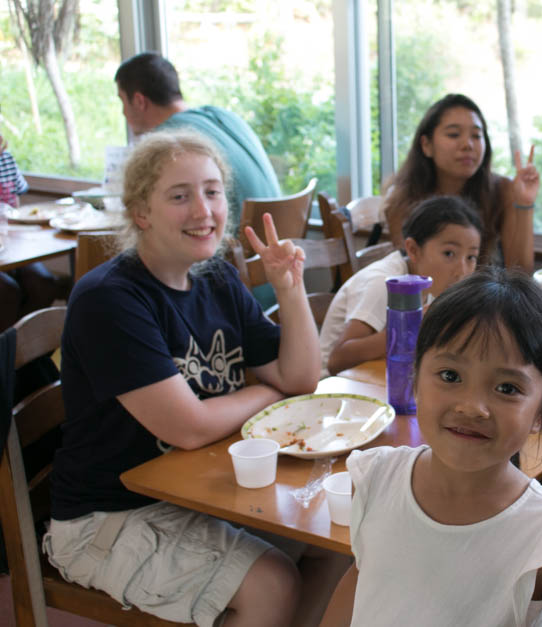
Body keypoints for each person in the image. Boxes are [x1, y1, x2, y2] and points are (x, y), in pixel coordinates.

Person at [43, 130, 328, 626]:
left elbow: (301, 377)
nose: (203, 211)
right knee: (273, 585)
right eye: (180, 196)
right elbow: (188, 427)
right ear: (141, 212)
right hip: (108, 517)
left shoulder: (215, 277)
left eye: (213, 191)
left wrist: (290, 287)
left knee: (332, 545)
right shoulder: (111, 299)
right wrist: (264, 392)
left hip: (191, 492)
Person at [318, 267, 542, 627]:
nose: (472, 407)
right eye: (450, 376)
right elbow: (363, 578)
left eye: (507, 388)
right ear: (415, 381)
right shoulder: (375, 476)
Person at [320, 195, 482, 376]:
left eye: (471, 257)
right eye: (449, 253)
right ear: (413, 249)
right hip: (331, 389)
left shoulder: (427, 282)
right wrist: (408, 328)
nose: (462, 270)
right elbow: (337, 360)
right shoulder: (384, 284)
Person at [114, 52, 281, 227]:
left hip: (233, 245)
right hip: (276, 237)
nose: (123, 112)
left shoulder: (170, 144)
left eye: (122, 101)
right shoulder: (220, 115)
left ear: (140, 101)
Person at [384, 94, 540, 273]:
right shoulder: (402, 199)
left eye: (476, 135)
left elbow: (521, 273)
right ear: (426, 144)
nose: (467, 144)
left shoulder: (503, 190)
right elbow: (411, 274)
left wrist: (524, 203)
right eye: (453, 134)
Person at [0, 127, 60, 330]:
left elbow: (16, 204)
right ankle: (8, 356)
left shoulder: (5, 160)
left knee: (43, 284)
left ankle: (26, 355)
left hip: (10, 245)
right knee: (6, 292)